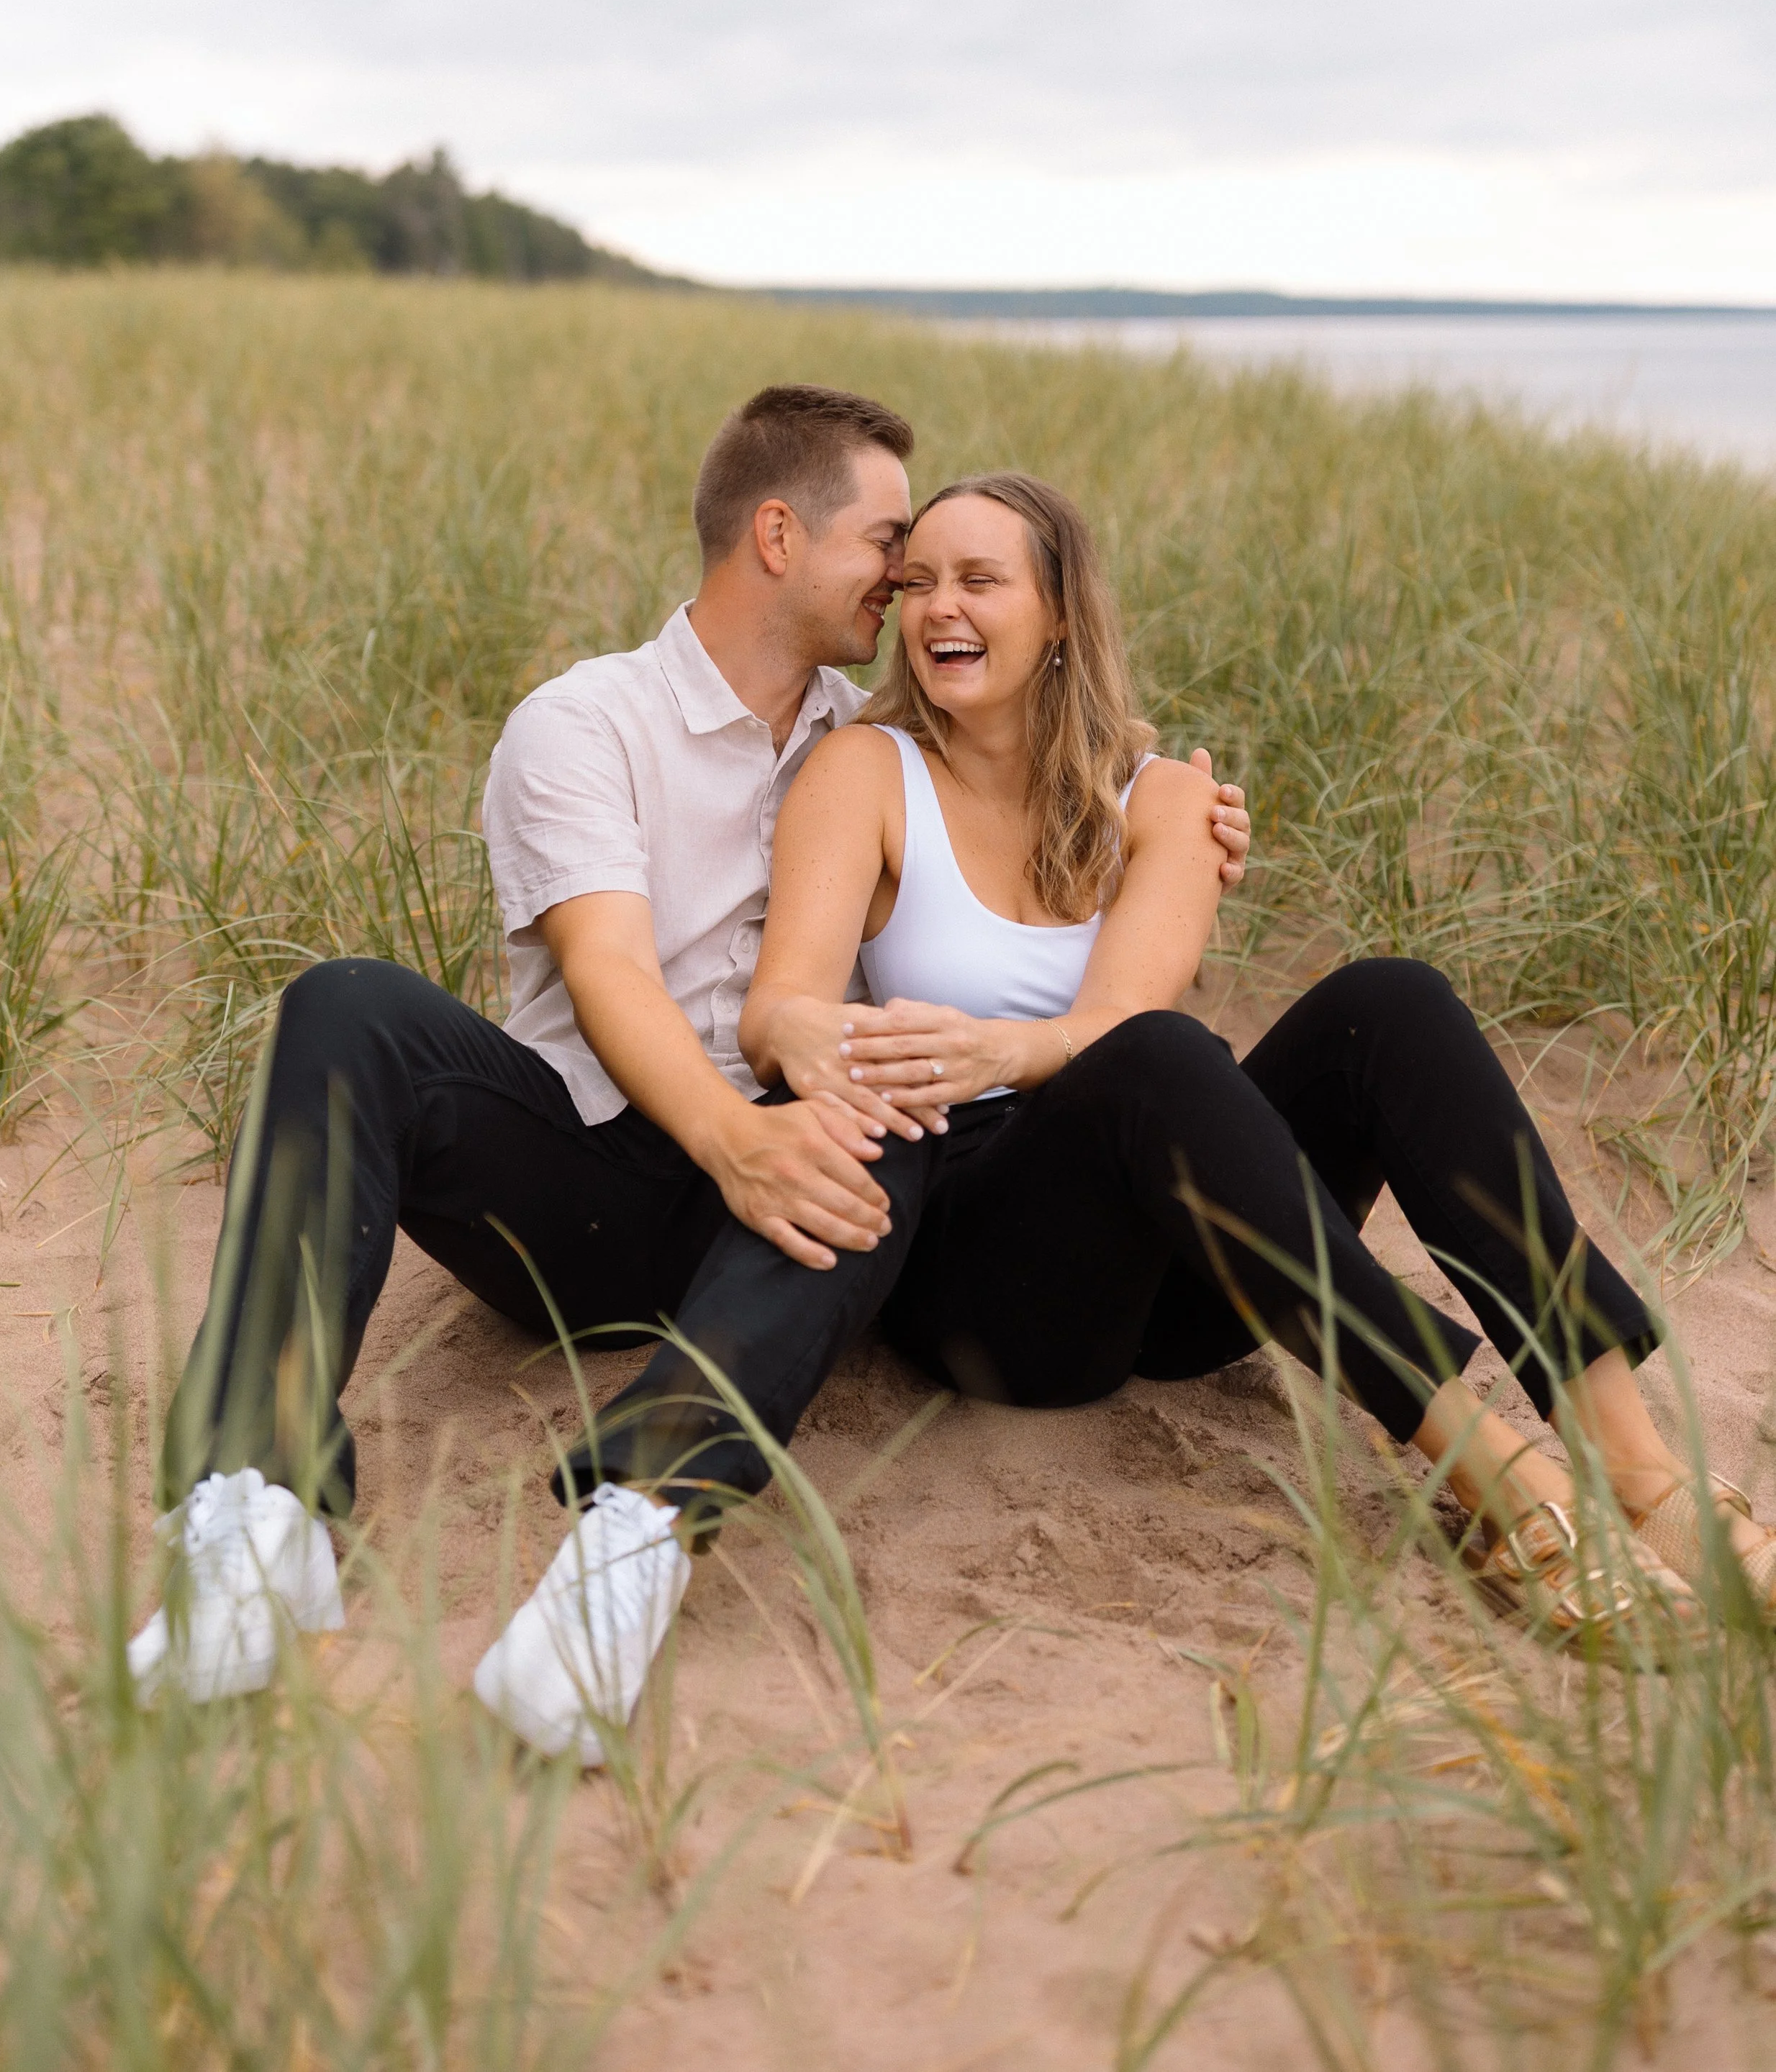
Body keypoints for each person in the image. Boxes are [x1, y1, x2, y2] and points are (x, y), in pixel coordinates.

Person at [124, 382, 1254, 1748]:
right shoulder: (585, 722)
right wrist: (733, 1134)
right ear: (778, 534)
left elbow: (1059, 766)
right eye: (887, 542)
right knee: (348, 1005)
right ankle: (259, 1505)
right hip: (582, 1174)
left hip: (785, 1219)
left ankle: (630, 1553)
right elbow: (608, 979)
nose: (906, 581)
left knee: (873, 1085)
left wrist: (1183, 814)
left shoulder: (880, 740)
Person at [737, 469, 1776, 1660]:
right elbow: (782, 1013)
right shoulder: (867, 772)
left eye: (980, 578)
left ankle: (1635, 1471)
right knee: (1156, 1061)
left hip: (1184, 1271)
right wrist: (854, 1045)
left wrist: (1008, 1043)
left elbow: (1122, 1012)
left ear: (1061, 610)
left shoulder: (1167, 799)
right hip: (988, 1273)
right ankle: (1504, 1484)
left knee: (1391, 1001)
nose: (936, 608)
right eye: (916, 580)